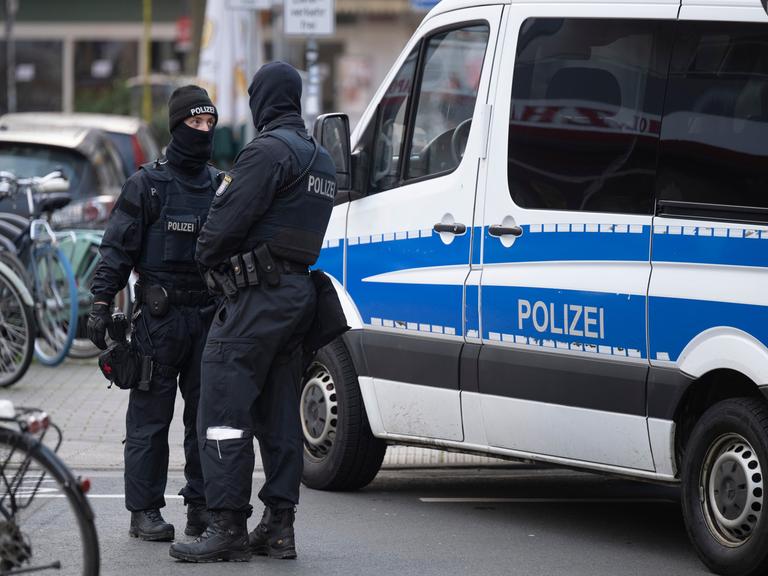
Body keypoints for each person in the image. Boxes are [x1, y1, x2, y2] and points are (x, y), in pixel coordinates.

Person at [169, 62, 338, 563]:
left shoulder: (266, 152)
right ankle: (279, 527)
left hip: (254, 300)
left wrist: (209, 255)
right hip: (298, 298)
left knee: (221, 408)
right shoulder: (322, 159)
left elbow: (220, 228)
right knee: (279, 413)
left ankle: (226, 526)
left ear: (263, 100)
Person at [87, 85, 219, 542]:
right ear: (177, 125)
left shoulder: (220, 187)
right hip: (158, 323)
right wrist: (101, 305)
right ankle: (144, 511)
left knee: (206, 420)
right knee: (148, 421)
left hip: (208, 317)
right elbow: (115, 252)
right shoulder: (146, 185)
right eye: (195, 123)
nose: (203, 132)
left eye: (209, 124)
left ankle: (202, 508)